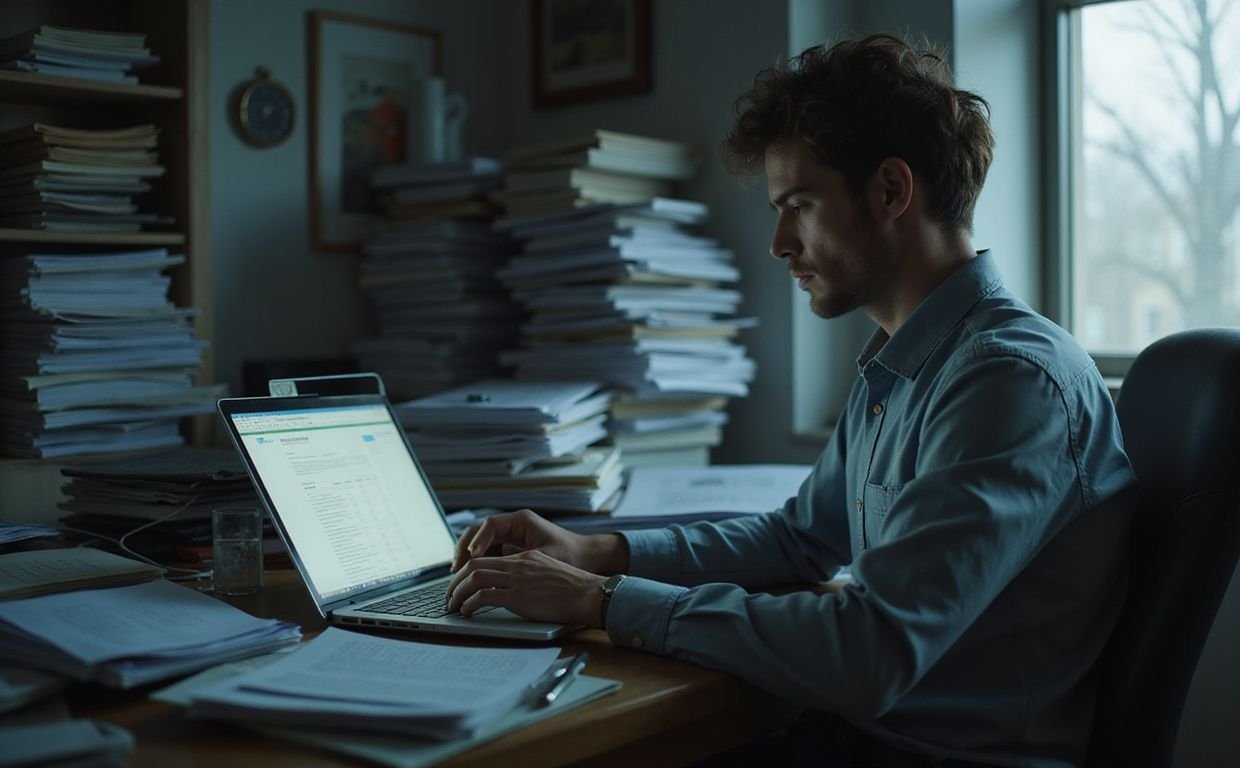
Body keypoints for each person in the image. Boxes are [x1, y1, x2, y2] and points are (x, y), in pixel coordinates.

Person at [446, 33, 1136, 768]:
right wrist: (592, 551)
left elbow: (869, 652)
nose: (779, 242)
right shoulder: (905, 363)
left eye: (799, 205)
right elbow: (798, 541)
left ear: (892, 191)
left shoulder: (1007, 381)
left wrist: (603, 599)